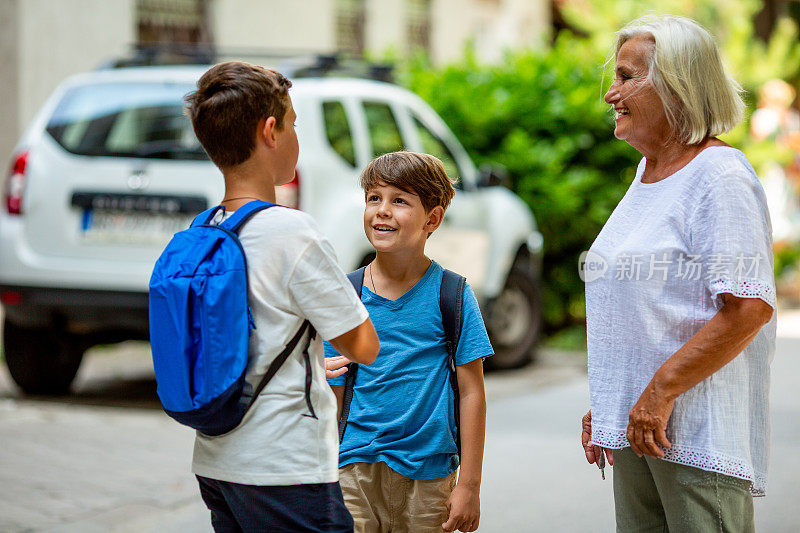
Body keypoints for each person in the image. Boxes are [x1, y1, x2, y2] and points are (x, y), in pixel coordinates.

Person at [580, 16, 776, 532]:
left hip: (694, 438)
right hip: (639, 430)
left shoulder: (720, 177)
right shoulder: (649, 174)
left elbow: (748, 308)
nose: (610, 94)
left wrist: (659, 392)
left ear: (677, 86)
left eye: (625, 77)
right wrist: (610, 401)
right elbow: (645, 308)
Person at [184, 61, 380, 532]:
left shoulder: (203, 229)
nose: (296, 135)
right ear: (270, 131)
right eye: (293, 123)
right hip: (283, 467)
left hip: (216, 461)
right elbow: (364, 345)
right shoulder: (292, 233)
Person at [324, 151, 493, 533]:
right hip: (352, 466)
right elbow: (333, 389)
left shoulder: (452, 294)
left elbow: (472, 392)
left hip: (429, 474)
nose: (382, 210)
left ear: (432, 218)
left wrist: (469, 485)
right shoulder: (345, 295)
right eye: (373, 198)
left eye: (399, 200)